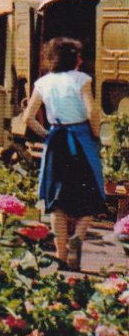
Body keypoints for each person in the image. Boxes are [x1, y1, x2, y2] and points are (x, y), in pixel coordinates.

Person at [23, 37, 106, 271]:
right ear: (76, 59)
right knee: (90, 195)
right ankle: (77, 238)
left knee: (56, 201)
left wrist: (47, 134)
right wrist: (95, 135)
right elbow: (92, 111)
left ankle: (60, 255)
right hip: (80, 141)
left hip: (56, 142)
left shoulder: (42, 83)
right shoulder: (81, 80)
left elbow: (28, 118)